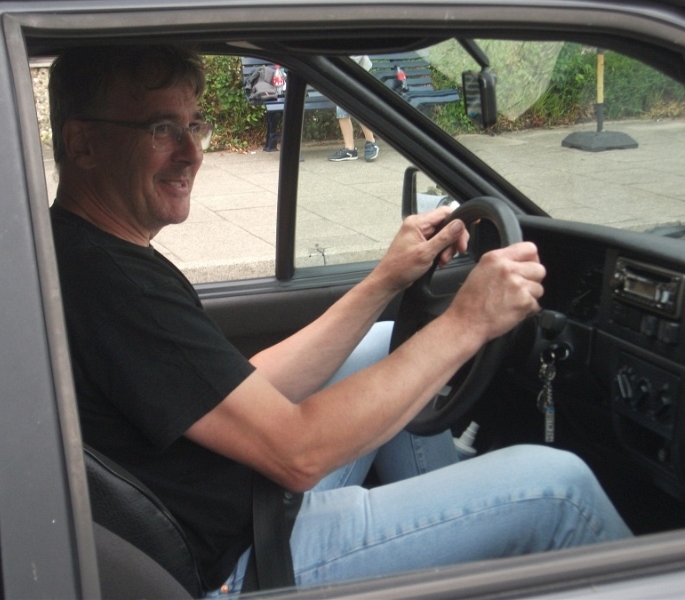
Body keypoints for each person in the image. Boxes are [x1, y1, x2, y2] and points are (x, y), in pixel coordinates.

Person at [48, 44, 632, 596]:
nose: (192, 152)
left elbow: (246, 385)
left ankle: (447, 542)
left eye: (193, 125)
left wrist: (385, 280)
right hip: (242, 563)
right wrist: (468, 322)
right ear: (83, 145)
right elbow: (297, 452)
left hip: (241, 502)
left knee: (387, 342)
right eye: (161, 128)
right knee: (560, 488)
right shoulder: (114, 285)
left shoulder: (83, 250)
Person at [328, 56, 379, 162]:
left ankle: (371, 142)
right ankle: (349, 149)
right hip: (342, 71)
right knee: (341, 105)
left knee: (358, 105)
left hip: (359, 71)